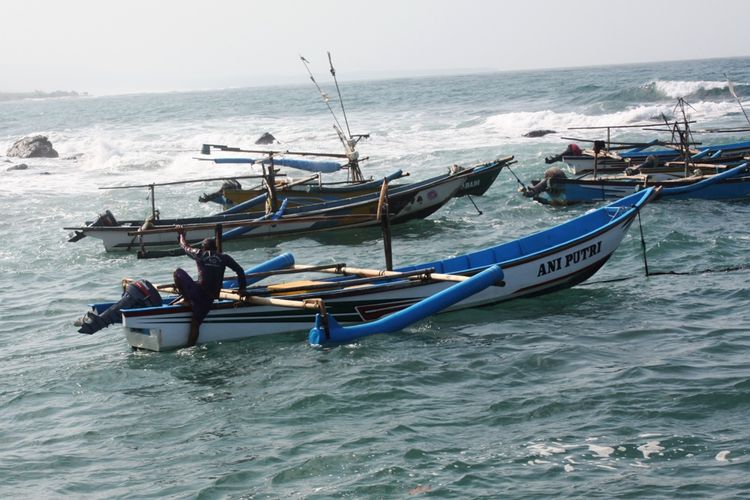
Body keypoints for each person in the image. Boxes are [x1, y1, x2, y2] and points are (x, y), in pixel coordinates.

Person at [174, 227, 247, 347]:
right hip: (209, 298)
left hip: (197, 292)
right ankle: (190, 347)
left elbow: (185, 246)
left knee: (177, 272)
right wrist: (242, 289)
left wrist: (181, 234)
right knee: (195, 324)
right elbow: (240, 270)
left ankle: (187, 299)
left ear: (203, 248)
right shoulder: (224, 258)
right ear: (216, 248)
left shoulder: (199, 254)